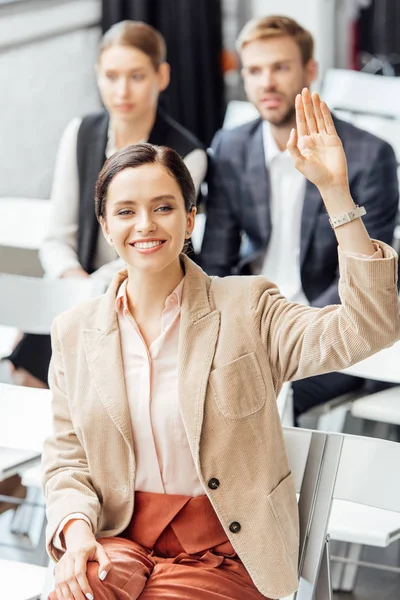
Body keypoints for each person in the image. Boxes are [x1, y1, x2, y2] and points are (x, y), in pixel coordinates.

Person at [42, 90, 400, 600]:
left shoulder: (247, 307)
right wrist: (78, 539)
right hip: (116, 542)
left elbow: (369, 327)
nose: (145, 225)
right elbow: (67, 460)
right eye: (126, 211)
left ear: (190, 220)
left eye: (163, 207)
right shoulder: (74, 331)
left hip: (224, 551)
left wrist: (336, 194)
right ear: (105, 225)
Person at [200, 15, 399, 420]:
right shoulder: (231, 146)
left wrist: (289, 333)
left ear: (310, 70)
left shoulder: (368, 154)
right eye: (254, 70)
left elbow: (369, 278)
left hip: (335, 327)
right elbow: (217, 260)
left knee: (245, 395)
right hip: (251, 318)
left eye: (280, 67)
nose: (266, 82)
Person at [7, 19, 207, 389]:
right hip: (78, 288)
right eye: (111, 76)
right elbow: (57, 235)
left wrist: (89, 292)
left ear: (161, 77)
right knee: (27, 369)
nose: (122, 90)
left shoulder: (187, 152)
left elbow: (164, 244)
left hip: (144, 293)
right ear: (97, 76)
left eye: (136, 76)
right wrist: (72, 285)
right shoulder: (80, 133)